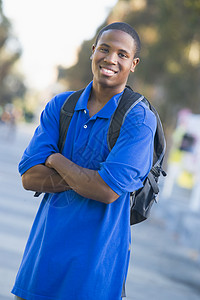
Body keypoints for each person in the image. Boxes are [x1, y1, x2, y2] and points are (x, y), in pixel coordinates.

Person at [12, 22, 156, 300]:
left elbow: (106, 191)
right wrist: (87, 179)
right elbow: (29, 178)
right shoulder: (60, 106)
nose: (111, 59)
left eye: (122, 54)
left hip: (95, 277)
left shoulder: (139, 119)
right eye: (104, 49)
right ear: (93, 52)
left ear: (133, 63)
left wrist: (54, 158)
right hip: (40, 266)